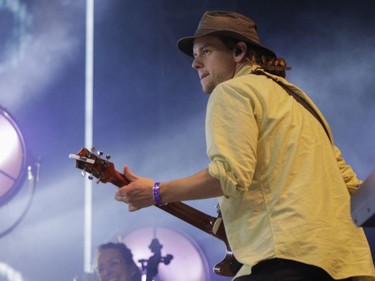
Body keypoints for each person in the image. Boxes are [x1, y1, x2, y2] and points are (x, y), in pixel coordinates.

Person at [114, 10, 375, 281]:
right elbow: (353, 189)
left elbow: (229, 176)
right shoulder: (301, 102)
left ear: (238, 51)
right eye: (194, 55)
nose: (195, 64)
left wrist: (156, 192)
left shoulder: (232, 91)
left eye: (205, 52)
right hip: (347, 265)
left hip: (283, 260)